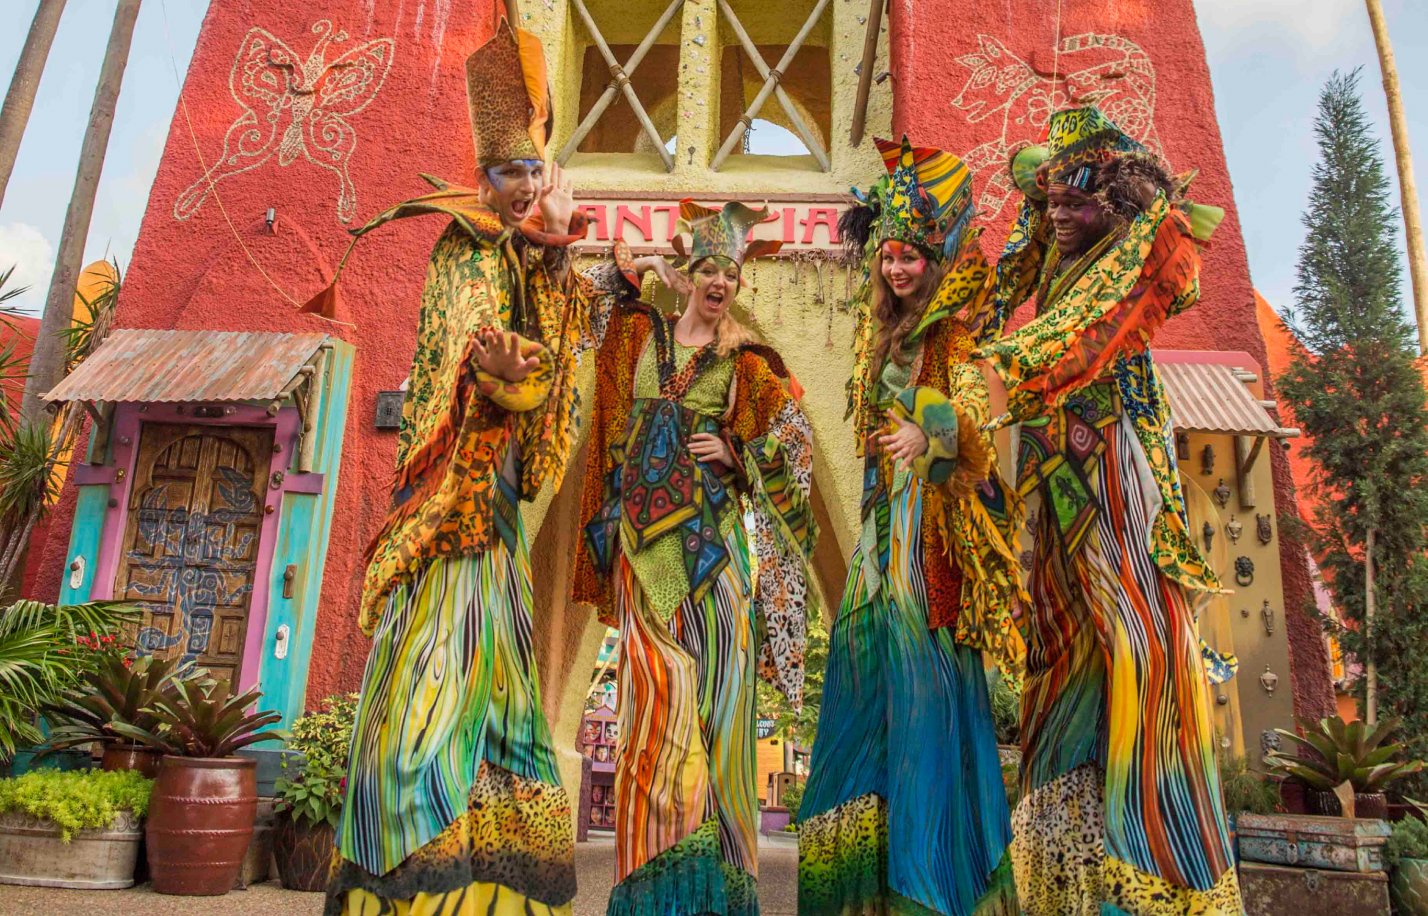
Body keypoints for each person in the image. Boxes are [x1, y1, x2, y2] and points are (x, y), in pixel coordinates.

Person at [315, 20, 616, 916]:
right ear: (482, 176)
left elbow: (561, 361)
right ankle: (407, 886)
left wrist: (560, 270)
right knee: (426, 702)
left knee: (502, 712)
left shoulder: (539, 259)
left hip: (495, 537)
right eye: (509, 172)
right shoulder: (464, 247)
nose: (524, 187)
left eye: (536, 170)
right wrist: (499, 367)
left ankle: (490, 896)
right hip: (453, 515)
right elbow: (469, 347)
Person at [974, 106, 1242, 914]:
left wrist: (972, 387)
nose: (1056, 210)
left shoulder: (1134, 264)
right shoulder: (1058, 259)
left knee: (1136, 642)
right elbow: (1015, 304)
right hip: (1057, 473)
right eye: (1049, 195)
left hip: (1117, 464)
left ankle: (1156, 872)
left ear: (1118, 203)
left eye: (1076, 196)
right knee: (1060, 647)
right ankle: (1066, 874)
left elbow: (1074, 339)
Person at [797, 137, 1023, 916]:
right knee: (862, 687)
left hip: (927, 550)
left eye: (913, 258)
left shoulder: (955, 331)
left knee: (923, 701)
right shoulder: (878, 331)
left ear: (937, 259)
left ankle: (930, 882)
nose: (898, 270)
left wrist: (931, 436)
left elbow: (980, 428)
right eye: (889, 256)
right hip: (879, 532)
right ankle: (860, 887)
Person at [571, 203, 818, 914]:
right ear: (689, 275)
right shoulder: (633, 335)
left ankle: (722, 888)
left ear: (739, 283)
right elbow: (581, 306)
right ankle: (655, 882)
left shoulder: (746, 365)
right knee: (656, 703)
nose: (718, 281)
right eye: (707, 268)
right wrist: (640, 269)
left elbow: (796, 449)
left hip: (712, 559)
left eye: (730, 272)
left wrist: (739, 453)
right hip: (642, 550)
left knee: (722, 707)